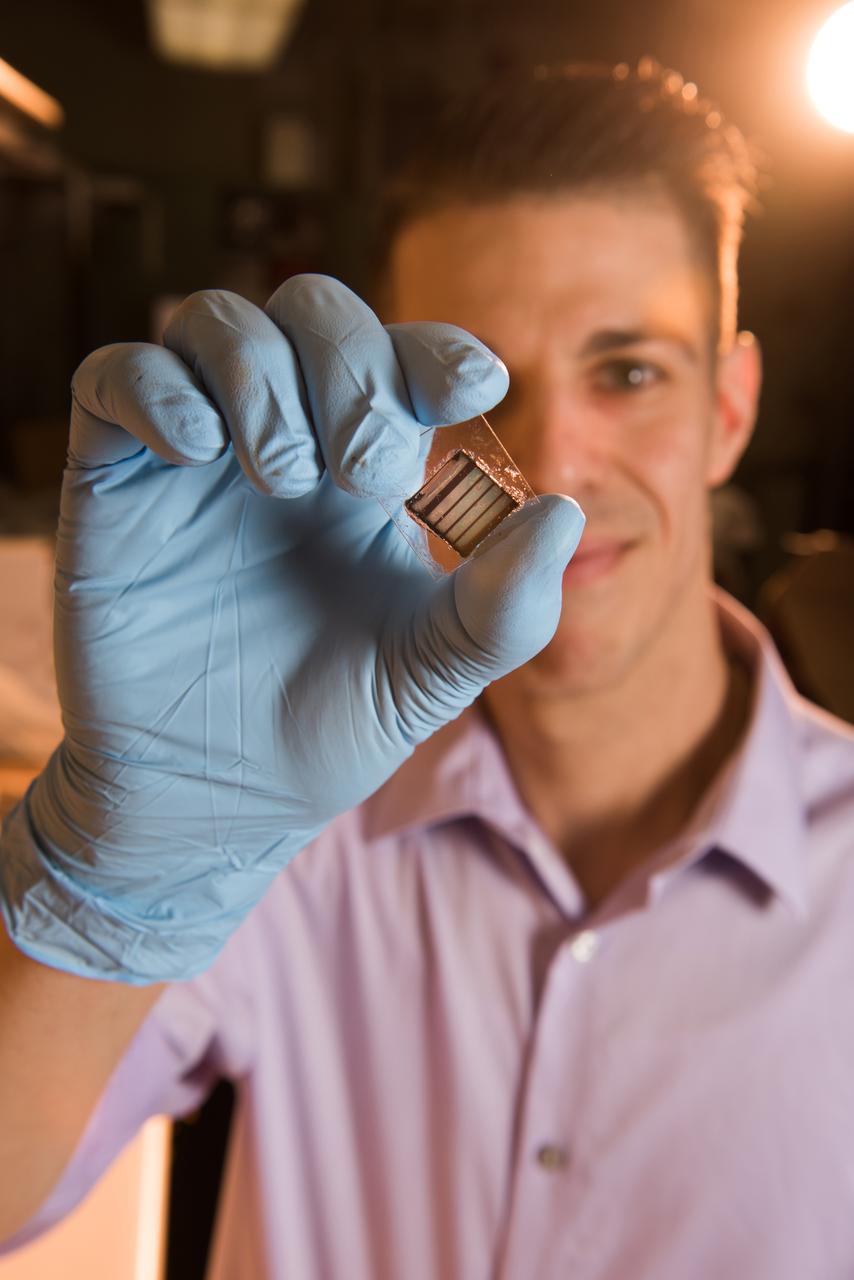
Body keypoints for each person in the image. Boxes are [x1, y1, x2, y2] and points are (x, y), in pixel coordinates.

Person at [2, 60, 854, 1280]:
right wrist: (107, 893)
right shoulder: (280, 812)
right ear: (380, 421)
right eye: (486, 390)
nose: (555, 463)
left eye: (627, 371)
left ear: (729, 407)